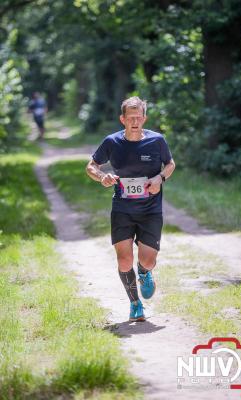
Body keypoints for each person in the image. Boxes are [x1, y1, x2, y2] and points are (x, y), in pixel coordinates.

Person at [86, 96, 175, 322]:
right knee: (124, 261)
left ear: (144, 118)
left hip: (150, 209)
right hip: (123, 208)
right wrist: (101, 176)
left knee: (147, 260)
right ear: (122, 119)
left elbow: (170, 164)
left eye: (138, 117)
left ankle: (144, 272)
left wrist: (160, 178)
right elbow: (91, 166)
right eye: (130, 117)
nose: (135, 121)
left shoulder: (157, 141)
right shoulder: (112, 142)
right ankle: (135, 304)